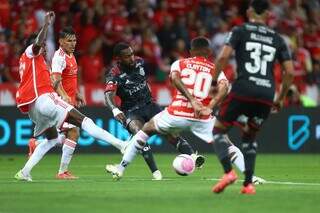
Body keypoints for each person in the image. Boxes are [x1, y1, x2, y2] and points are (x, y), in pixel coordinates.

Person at [106, 37, 263, 182]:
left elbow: (174, 78)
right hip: (203, 117)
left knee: (145, 131)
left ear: (190, 51)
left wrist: (192, 100)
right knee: (228, 145)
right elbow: (225, 87)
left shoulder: (179, 63)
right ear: (209, 52)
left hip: (177, 113)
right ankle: (251, 176)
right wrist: (210, 105)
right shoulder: (215, 69)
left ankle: (120, 169)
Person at [14, 11, 126, 182]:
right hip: (44, 100)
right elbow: (51, 72)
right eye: (42, 46)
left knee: (52, 139)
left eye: (44, 46)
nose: (44, 48)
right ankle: (121, 144)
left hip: (34, 108)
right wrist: (46, 25)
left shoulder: (36, 63)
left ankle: (24, 171)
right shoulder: (31, 53)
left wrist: (74, 93)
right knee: (84, 122)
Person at [211, 0, 294, 194]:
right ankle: (248, 184)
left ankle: (228, 173)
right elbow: (289, 72)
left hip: (243, 89)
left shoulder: (240, 30)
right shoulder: (277, 38)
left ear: (249, 12)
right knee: (249, 136)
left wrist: (214, 82)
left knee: (218, 130)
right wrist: (280, 98)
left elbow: (223, 57)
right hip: (266, 93)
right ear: (267, 14)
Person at [104, 42, 205, 180]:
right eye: (127, 57)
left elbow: (157, 71)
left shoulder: (140, 62)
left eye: (132, 54)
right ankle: (156, 173)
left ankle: (193, 156)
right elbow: (108, 95)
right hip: (132, 111)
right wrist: (115, 110)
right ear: (118, 59)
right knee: (140, 135)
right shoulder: (114, 73)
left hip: (150, 105)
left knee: (170, 132)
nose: (132, 58)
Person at [27, 27, 85, 179]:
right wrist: (64, 96)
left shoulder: (71, 55)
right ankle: (62, 172)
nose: (73, 43)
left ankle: (37, 144)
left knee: (66, 136)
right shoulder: (59, 57)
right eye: (69, 41)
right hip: (59, 102)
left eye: (74, 40)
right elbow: (55, 81)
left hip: (69, 101)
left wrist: (76, 94)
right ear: (60, 41)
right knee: (74, 132)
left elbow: (69, 79)